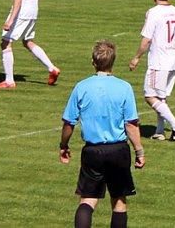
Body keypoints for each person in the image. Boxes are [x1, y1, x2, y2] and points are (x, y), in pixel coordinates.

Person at [59, 40, 145, 228]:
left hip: (92, 152)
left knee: (87, 201)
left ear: (93, 61)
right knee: (119, 201)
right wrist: (139, 152)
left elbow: (68, 123)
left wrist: (63, 145)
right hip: (118, 151)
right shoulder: (124, 87)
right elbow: (131, 125)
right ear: (113, 62)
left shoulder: (82, 87)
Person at [129, 0, 175, 141]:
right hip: (173, 60)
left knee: (150, 96)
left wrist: (136, 58)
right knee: (161, 97)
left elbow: (146, 39)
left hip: (159, 62)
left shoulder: (153, 13)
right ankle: (160, 131)